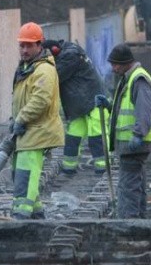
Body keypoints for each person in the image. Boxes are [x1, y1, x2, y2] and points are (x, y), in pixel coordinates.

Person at [95, 43, 151, 219]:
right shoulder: (128, 78)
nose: (113, 68)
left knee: (128, 185)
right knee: (136, 182)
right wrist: (109, 106)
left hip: (135, 144)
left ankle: (128, 221)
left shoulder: (138, 80)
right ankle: (138, 218)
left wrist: (138, 134)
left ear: (125, 62)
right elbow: (126, 110)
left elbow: (144, 110)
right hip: (129, 144)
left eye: (115, 64)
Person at [10, 22, 64, 219]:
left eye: (28, 46)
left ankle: (20, 217)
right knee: (21, 173)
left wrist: (21, 118)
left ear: (39, 45)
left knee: (26, 174)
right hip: (28, 130)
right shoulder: (28, 68)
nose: (24, 50)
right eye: (21, 45)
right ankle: (36, 214)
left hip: (38, 131)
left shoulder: (44, 70)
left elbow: (40, 101)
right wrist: (15, 119)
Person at [42, 39, 107, 175]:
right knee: (73, 136)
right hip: (78, 103)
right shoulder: (68, 50)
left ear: (53, 51)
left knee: (96, 135)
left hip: (91, 100)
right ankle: (69, 167)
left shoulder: (69, 57)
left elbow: (53, 78)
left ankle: (102, 168)